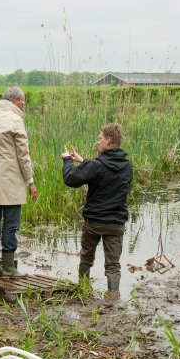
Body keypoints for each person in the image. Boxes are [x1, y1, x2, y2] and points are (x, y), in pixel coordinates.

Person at [61, 123, 132, 292]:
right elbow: (104, 172)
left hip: (95, 222)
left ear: (108, 140)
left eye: (100, 138)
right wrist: (84, 161)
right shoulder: (127, 166)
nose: (97, 142)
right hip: (116, 223)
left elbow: (70, 178)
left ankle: (83, 290)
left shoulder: (97, 165)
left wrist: (68, 160)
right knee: (113, 265)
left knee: (86, 258)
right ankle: (113, 298)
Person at [0, 86, 38, 276]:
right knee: (11, 225)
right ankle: (9, 267)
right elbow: (23, 155)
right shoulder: (15, 120)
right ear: (14, 100)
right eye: (22, 102)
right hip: (10, 180)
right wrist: (30, 181)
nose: (23, 105)